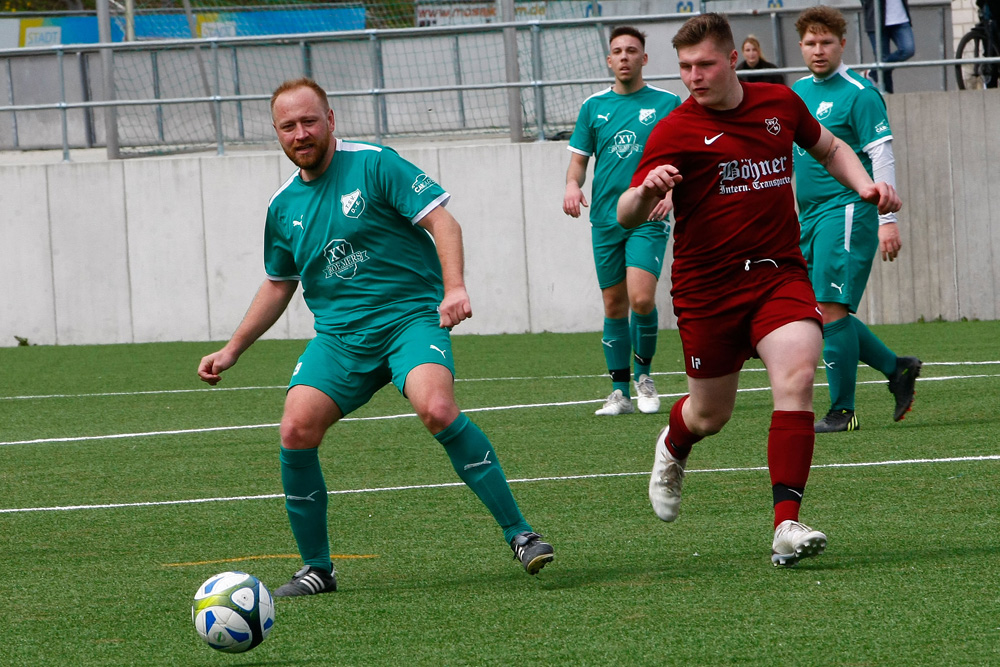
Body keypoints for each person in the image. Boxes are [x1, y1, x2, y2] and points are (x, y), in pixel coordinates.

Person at [197, 78, 554, 596]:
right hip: (341, 339)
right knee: (295, 430)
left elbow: (444, 223)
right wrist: (232, 349)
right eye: (289, 126)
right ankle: (317, 569)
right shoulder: (282, 207)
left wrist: (454, 287)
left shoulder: (375, 164)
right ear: (276, 133)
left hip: (408, 319)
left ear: (331, 120)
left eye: (309, 121)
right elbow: (279, 283)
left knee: (436, 408)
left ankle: (521, 534)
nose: (301, 133)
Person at [616, 13, 901, 566]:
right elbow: (628, 214)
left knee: (796, 375)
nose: (693, 76)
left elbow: (830, 148)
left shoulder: (779, 104)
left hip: (778, 273)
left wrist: (866, 184)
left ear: (731, 60)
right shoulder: (675, 129)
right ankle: (675, 444)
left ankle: (785, 524)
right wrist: (646, 190)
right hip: (707, 288)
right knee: (709, 416)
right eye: (684, 67)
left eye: (703, 65)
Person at [793, 6, 921, 434]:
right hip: (809, 217)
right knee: (820, 309)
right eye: (810, 43)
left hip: (847, 211)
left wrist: (887, 220)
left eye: (826, 41)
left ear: (842, 44)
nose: (818, 50)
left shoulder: (859, 92)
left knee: (830, 308)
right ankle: (896, 367)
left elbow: (881, 154)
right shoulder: (796, 94)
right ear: (800, 46)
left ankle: (842, 412)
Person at [562, 25, 682, 417]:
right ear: (609, 60)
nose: (625, 56)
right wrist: (571, 187)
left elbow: (686, 157)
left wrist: (669, 193)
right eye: (618, 51)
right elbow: (578, 163)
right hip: (604, 219)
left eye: (633, 50)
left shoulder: (667, 103)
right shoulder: (593, 107)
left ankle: (644, 378)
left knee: (642, 298)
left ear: (644, 58)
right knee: (614, 304)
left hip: (648, 215)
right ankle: (619, 392)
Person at [860, 0, 915, 93]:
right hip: (875, 19)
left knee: (908, 49)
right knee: (883, 58)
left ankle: (873, 73)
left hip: (900, 18)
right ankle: (887, 92)